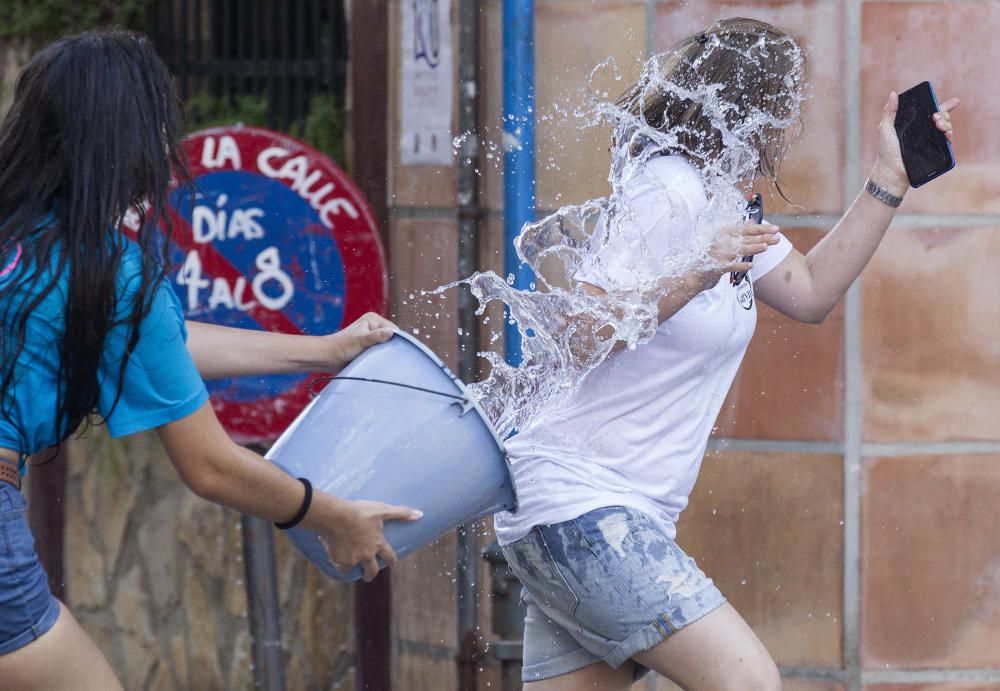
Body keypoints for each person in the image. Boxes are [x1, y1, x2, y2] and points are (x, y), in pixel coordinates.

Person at [493, 17, 959, 690]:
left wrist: (889, 176)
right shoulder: (669, 188)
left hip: (595, 514)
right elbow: (580, 330)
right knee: (749, 682)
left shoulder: (718, 196)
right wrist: (695, 272)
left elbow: (809, 291)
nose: (793, 127)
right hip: (581, 507)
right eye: (789, 107)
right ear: (755, 106)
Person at [0, 31, 419, 690]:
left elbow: (159, 340)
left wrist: (323, 350)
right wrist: (334, 515)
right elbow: (212, 466)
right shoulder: (107, 271)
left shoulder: (28, 242)